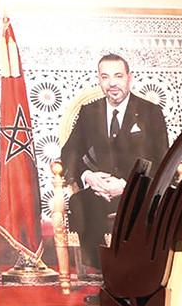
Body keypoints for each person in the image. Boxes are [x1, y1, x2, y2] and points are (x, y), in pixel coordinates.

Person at [61, 53, 169, 269]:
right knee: (80, 203)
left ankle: (136, 271)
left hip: (139, 191)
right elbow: (69, 152)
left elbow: (163, 160)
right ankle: (101, 271)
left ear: (129, 77)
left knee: (143, 211)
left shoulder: (150, 112)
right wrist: (88, 176)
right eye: (105, 77)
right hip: (100, 192)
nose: (112, 83)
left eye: (118, 76)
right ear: (99, 80)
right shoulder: (89, 112)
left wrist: (127, 186)